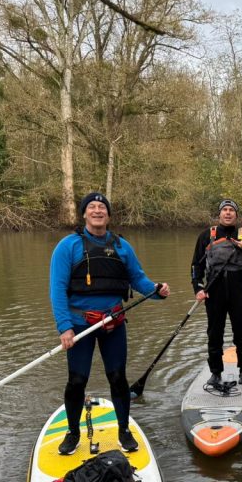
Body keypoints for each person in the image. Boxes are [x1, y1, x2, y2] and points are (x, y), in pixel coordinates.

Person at [49, 191, 171, 455]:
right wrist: (65, 327)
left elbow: (139, 280)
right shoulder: (67, 246)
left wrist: (157, 291)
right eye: (91, 207)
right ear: (83, 214)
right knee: (77, 381)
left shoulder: (122, 247)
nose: (97, 210)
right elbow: (57, 289)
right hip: (80, 326)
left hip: (113, 324)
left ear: (108, 214)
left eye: (101, 207)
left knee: (118, 378)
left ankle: (124, 431)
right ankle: (72, 433)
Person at [191, 198, 242, 389]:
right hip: (214, 290)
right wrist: (198, 288)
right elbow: (196, 266)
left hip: (238, 289)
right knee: (214, 333)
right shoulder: (207, 235)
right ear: (219, 214)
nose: (228, 213)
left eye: (232, 210)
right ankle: (216, 373)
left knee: (241, 331)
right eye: (224, 209)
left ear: (236, 215)